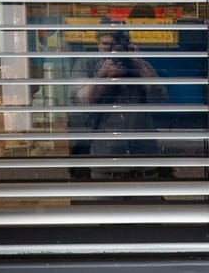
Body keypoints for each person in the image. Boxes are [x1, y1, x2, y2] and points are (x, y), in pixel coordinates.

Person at [69, 26, 168, 179]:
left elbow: (161, 100)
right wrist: (102, 77)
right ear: (97, 43)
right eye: (107, 45)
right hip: (105, 161)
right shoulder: (86, 65)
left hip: (143, 161)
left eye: (118, 46)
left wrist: (139, 66)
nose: (112, 51)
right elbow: (81, 103)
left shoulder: (141, 67)